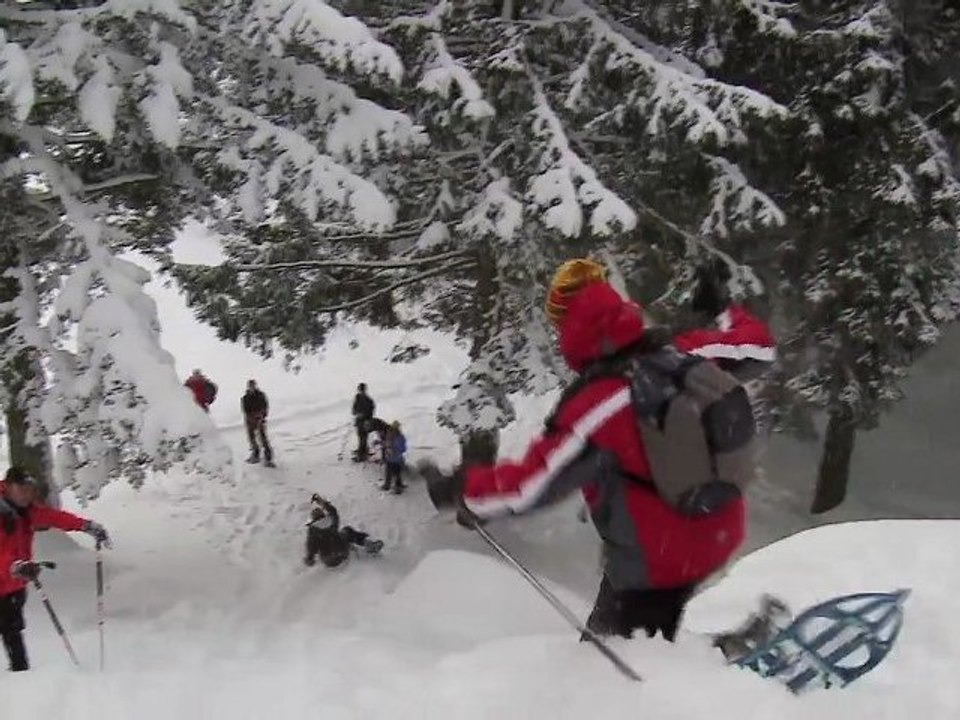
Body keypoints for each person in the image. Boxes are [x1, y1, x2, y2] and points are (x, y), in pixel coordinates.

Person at [428, 258, 775, 642]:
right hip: (718, 526)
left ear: (571, 335)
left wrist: (462, 489)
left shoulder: (601, 402)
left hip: (655, 561)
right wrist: (721, 309)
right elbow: (759, 348)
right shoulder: (682, 352)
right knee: (652, 637)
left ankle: (721, 666)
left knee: (607, 671)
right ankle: (714, 657)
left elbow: (531, 485)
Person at [0, 467, 110, 672]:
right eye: (21, 489)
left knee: (12, 630)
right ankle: (17, 680)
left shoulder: (27, 511)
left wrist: (86, 526)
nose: (26, 494)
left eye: (28, 490)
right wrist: (14, 566)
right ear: (8, 487)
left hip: (14, 583)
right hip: (9, 575)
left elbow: (54, 517)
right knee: (10, 629)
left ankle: (21, 677)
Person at [303, 494, 383, 568]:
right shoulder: (331, 519)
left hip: (329, 561)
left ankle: (344, 548)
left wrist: (309, 558)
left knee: (331, 542)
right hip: (343, 552)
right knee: (347, 530)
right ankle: (370, 545)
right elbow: (333, 510)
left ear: (313, 519)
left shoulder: (312, 530)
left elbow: (311, 548)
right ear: (323, 515)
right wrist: (322, 502)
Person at [241, 379, 274, 468]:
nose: (252, 388)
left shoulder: (260, 395)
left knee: (263, 439)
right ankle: (255, 454)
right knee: (252, 439)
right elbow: (245, 410)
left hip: (260, 419)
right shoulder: (245, 397)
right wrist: (250, 418)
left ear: (255, 386)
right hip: (250, 420)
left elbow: (265, 406)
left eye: (253, 386)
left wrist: (262, 416)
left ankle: (268, 458)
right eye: (250, 386)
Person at [381, 421, 407, 494]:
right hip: (397, 459)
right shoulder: (400, 437)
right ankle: (398, 487)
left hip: (389, 458)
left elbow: (385, 445)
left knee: (388, 473)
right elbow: (403, 449)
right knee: (397, 473)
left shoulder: (388, 435)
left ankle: (387, 485)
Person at [351, 383, 375, 461]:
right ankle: (362, 450)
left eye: (362, 390)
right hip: (360, 421)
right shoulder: (357, 398)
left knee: (363, 437)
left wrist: (363, 415)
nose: (361, 391)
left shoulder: (369, 400)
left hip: (365, 422)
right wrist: (356, 413)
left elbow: (371, 412)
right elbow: (354, 409)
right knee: (361, 437)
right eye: (360, 390)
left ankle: (362, 455)